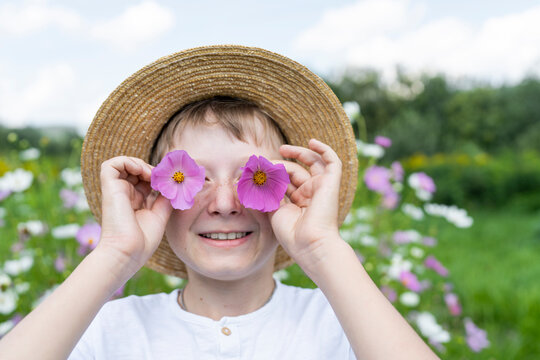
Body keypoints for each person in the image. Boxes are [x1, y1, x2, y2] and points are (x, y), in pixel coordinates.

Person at [0, 45, 438, 359]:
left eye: (254, 175)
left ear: (290, 190)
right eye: (194, 176)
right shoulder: (106, 332)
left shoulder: (344, 325)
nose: (225, 203)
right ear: (156, 193)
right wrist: (115, 254)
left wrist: (322, 248)